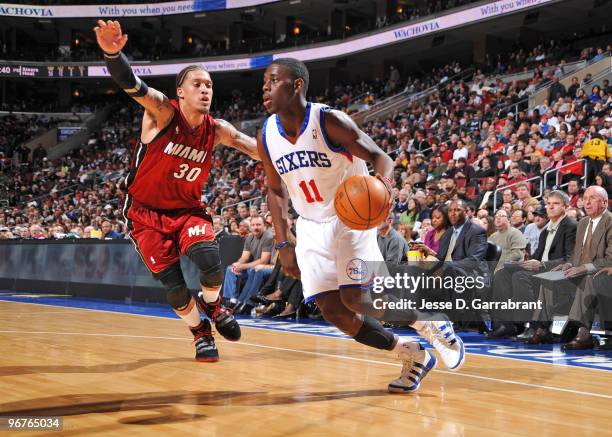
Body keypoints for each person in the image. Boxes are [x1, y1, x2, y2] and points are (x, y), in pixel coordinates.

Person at [257, 58, 464, 394]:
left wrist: (382, 188)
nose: (265, 87)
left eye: (273, 80)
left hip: (349, 218)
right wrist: (283, 244)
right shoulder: (266, 134)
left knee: (358, 298)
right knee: (334, 312)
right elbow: (275, 188)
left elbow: (381, 157)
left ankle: (429, 322)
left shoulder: (328, 121)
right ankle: (410, 355)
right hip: (309, 224)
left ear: (296, 85)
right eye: (264, 81)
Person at [94, 20, 260, 362]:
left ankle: (212, 304)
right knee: (174, 288)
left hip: (186, 210)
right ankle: (199, 331)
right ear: (180, 91)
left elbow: (258, 150)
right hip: (144, 213)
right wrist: (112, 53)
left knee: (211, 262)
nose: (205, 90)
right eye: (197, 84)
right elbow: (132, 85)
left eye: (210, 85)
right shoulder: (162, 112)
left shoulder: (218, 130)